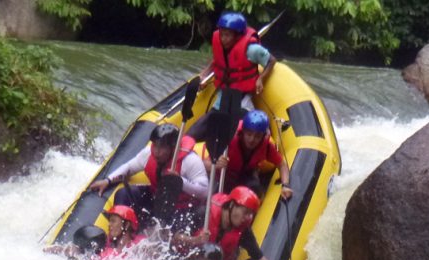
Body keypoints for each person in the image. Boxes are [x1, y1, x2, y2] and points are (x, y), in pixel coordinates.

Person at [89, 123, 208, 231]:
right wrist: (108, 180)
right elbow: (130, 167)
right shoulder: (148, 153)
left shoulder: (190, 161)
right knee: (123, 193)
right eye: (155, 145)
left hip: (181, 208)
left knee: (177, 217)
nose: (157, 152)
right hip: (156, 198)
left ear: (172, 149)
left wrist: (180, 181)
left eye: (162, 148)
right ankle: (123, 233)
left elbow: (204, 191)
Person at [187, 11, 277, 143]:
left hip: (243, 99)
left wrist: (260, 78)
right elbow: (217, 62)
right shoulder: (222, 45)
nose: (223, 39)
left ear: (237, 36)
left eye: (228, 35)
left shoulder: (252, 50)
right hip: (224, 97)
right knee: (194, 132)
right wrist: (204, 74)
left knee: (249, 130)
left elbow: (271, 61)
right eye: (222, 34)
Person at [171, 186, 279, 260]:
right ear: (232, 205)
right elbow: (175, 237)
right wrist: (195, 240)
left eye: (251, 214)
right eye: (245, 212)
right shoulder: (204, 213)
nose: (248, 218)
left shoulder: (243, 231)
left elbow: (260, 259)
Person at [213, 110, 292, 199]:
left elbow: (282, 165)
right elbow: (205, 163)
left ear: (263, 136)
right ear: (243, 132)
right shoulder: (229, 141)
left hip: (244, 177)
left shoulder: (266, 146)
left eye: (257, 136)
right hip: (221, 177)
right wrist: (215, 164)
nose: (252, 140)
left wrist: (285, 185)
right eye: (249, 134)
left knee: (255, 189)